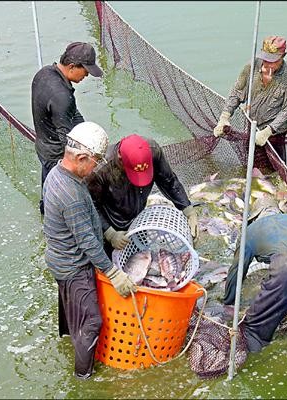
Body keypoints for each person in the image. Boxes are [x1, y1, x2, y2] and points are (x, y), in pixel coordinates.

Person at [42, 121, 136, 380]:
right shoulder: (70, 194)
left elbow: (86, 214)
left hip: (58, 258)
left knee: (74, 311)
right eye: (95, 161)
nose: (96, 167)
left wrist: (108, 232)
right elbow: (86, 241)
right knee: (92, 321)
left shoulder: (59, 174)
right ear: (81, 157)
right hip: (73, 267)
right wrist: (113, 273)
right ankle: (82, 377)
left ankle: (69, 340)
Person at [86, 134, 199, 256]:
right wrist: (110, 233)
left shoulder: (153, 151)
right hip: (111, 221)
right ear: (120, 159)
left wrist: (188, 209)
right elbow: (90, 206)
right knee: (111, 258)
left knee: (140, 254)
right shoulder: (100, 170)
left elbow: (169, 181)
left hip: (138, 217)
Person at [32, 42, 103, 215]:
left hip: (43, 146)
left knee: (47, 190)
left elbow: (73, 113)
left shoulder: (44, 73)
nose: (86, 75)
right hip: (56, 153)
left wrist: (88, 130)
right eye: (85, 70)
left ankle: (45, 210)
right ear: (72, 66)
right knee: (62, 197)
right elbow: (66, 140)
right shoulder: (62, 96)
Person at [213, 35, 287, 162]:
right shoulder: (251, 66)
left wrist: (268, 131)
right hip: (251, 126)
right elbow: (237, 92)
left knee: (274, 170)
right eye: (266, 59)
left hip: (274, 134)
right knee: (249, 164)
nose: (268, 63)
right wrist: (224, 117)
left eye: (273, 60)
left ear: (283, 56)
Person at [222, 197, 287, 306]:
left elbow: (237, 271)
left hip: (286, 268)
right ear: (278, 211)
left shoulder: (249, 232)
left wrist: (228, 302)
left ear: (255, 217)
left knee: (255, 319)